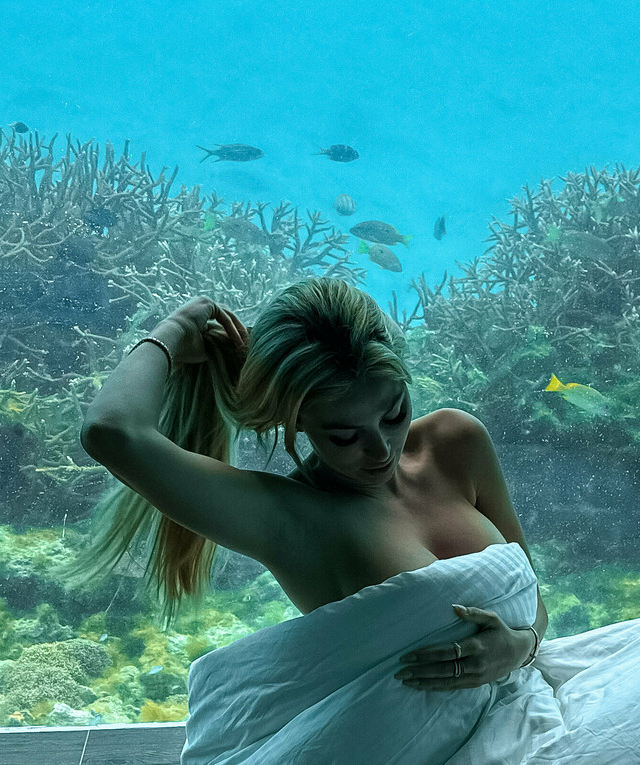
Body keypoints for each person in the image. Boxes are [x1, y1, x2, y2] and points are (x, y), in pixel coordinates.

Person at [72, 279, 547, 690]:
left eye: (394, 414)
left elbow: (533, 600)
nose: (380, 449)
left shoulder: (457, 440)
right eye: (344, 436)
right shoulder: (287, 517)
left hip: (527, 701)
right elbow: (110, 432)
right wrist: (173, 331)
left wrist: (520, 647)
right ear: (297, 422)